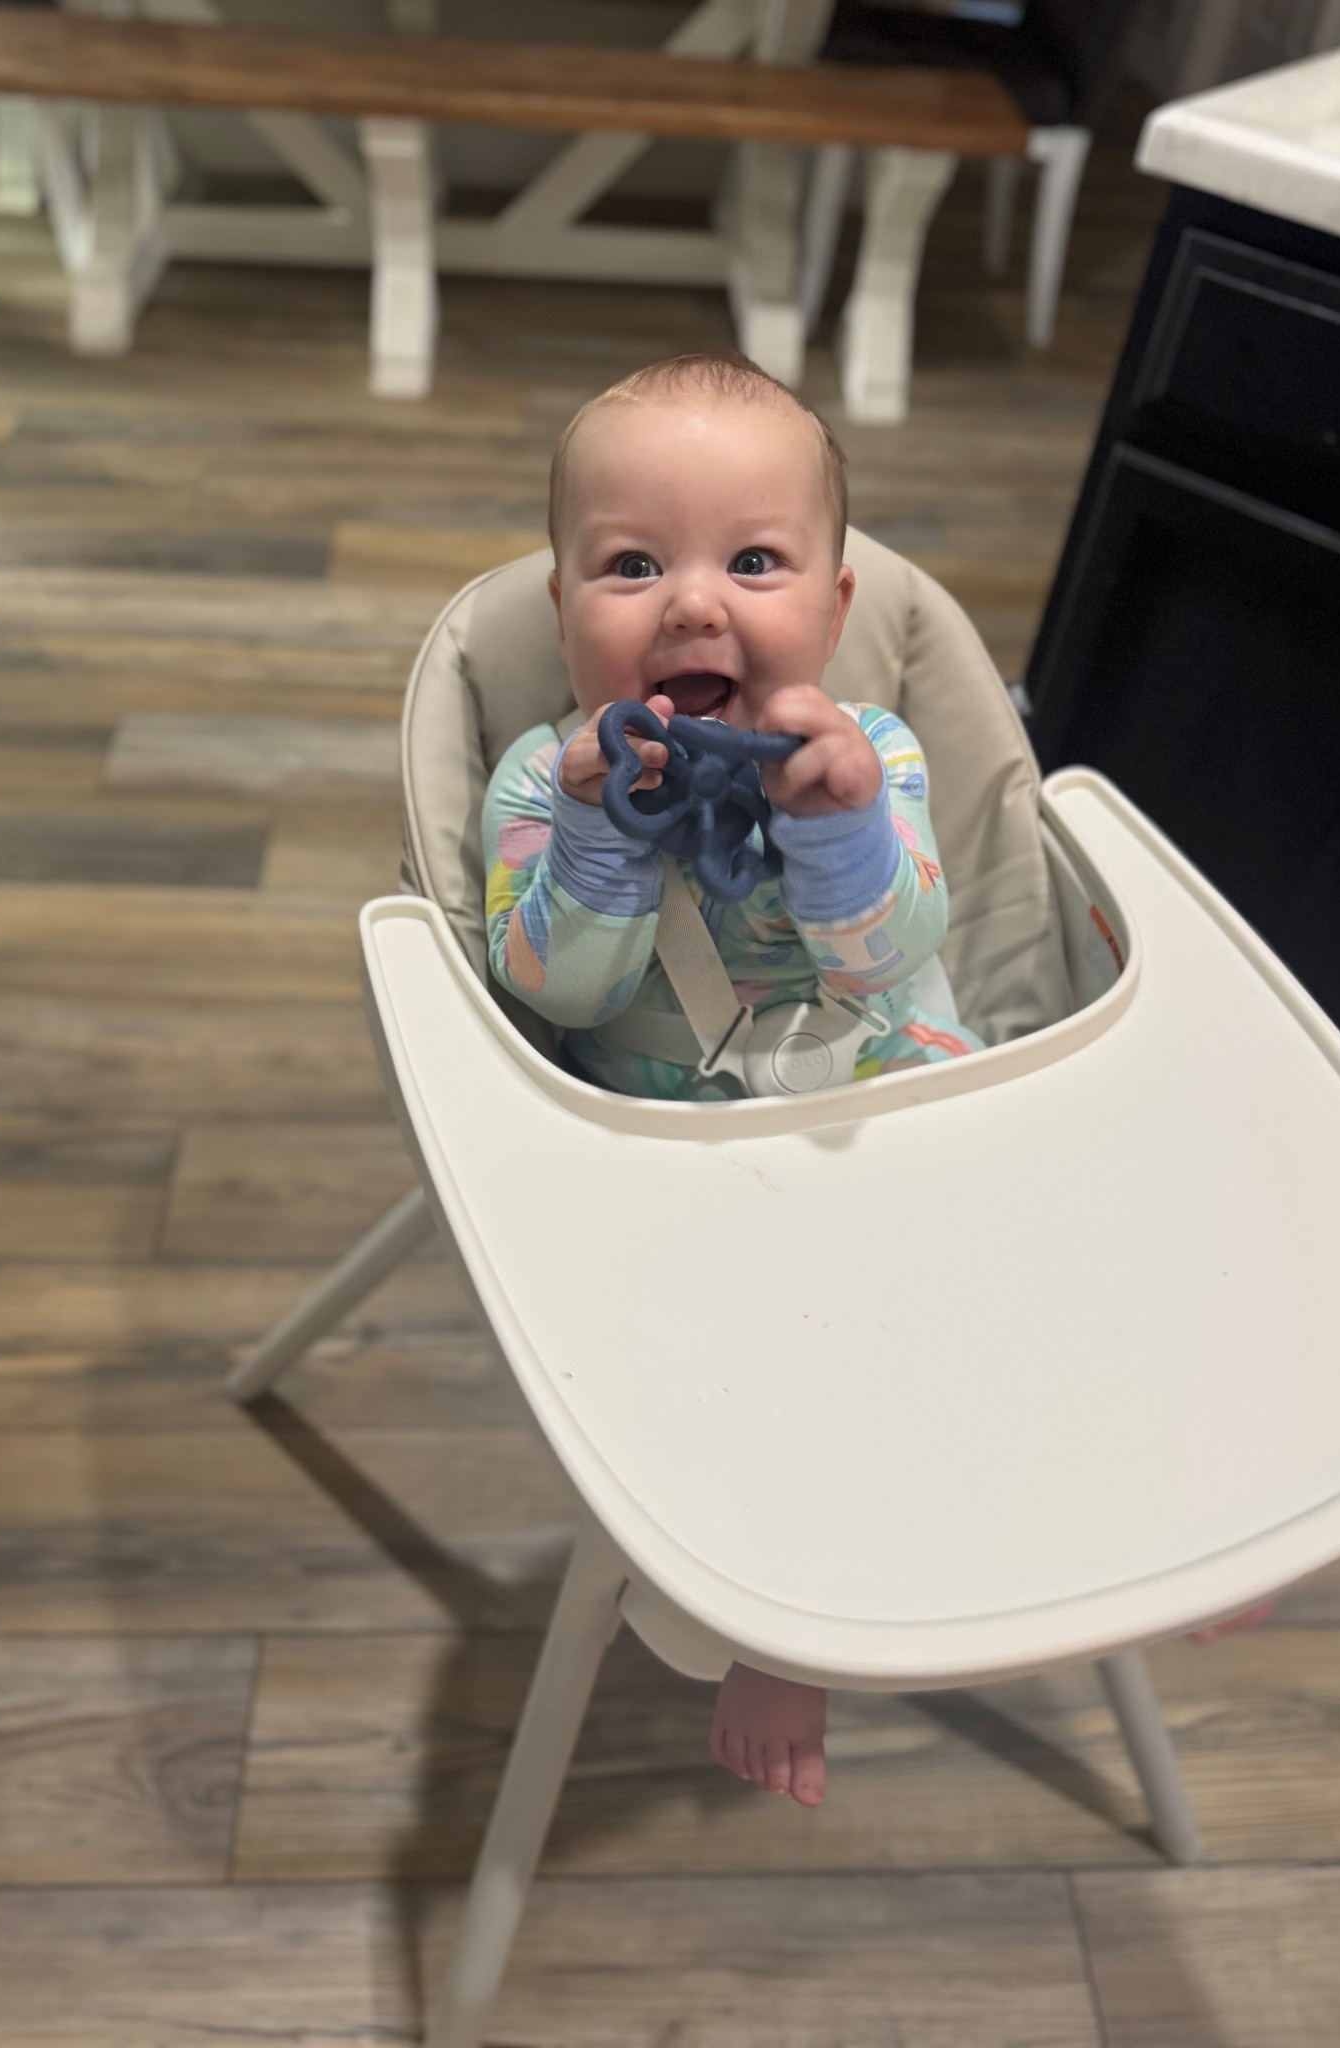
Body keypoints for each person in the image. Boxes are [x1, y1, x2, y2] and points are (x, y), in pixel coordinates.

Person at [481, 350, 983, 1808]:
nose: (695, 603)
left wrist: (833, 830)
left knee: (969, 1316)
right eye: (633, 565)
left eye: (753, 561)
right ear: (564, 610)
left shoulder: (869, 752)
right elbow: (551, 987)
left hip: (882, 1104)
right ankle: (772, 1608)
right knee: (740, 1373)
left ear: (830, 608)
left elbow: (893, 957)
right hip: (667, 1154)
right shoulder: (542, 779)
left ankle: (1104, 1499)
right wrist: (596, 836)